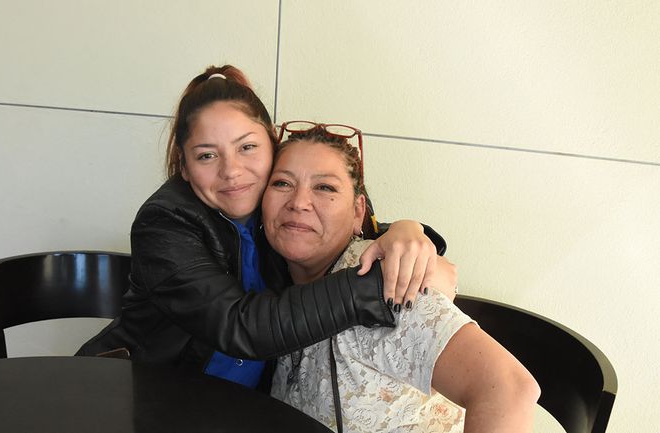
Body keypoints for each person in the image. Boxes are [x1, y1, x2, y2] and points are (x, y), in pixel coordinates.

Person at [77, 65, 456, 391]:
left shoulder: (282, 196)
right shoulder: (164, 223)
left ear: (272, 144)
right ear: (184, 165)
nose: (232, 171)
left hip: (237, 409)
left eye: (247, 147)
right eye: (207, 155)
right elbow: (242, 327)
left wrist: (411, 234)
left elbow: (352, 223)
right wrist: (374, 289)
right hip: (137, 395)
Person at [263, 125, 540, 432]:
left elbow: (510, 389)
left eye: (325, 188)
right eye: (282, 183)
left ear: (358, 213)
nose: (299, 202)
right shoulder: (268, 276)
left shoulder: (384, 279)